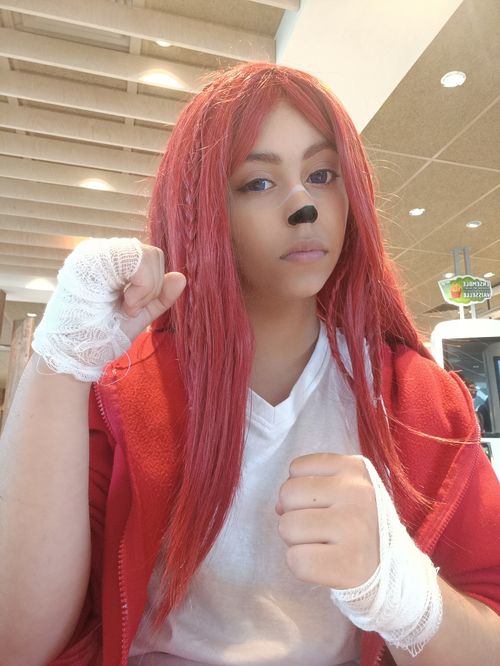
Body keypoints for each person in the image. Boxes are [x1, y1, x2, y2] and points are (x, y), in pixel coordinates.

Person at [0, 63, 499, 666]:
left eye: (322, 175)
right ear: (203, 209)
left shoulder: (423, 405)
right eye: (257, 183)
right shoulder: (122, 397)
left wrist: (407, 599)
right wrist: (60, 362)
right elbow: (19, 643)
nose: (303, 206)